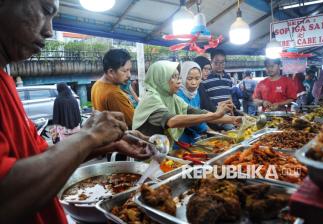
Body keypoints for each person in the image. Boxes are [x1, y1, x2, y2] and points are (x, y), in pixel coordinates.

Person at [0, 1, 151, 223]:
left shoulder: (7, 82)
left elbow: (38, 156)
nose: (49, 30)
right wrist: (89, 136)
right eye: (46, 10)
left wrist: (108, 143)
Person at [132, 60, 241, 143]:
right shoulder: (151, 98)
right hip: (146, 154)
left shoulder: (172, 98)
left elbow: (198, 112)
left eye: (178, 77)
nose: (179, 81)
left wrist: (234, 119)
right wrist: (215, 115)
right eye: (173, 77)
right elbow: (172, 121)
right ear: (160, 78)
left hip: (163, 149)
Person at [91, 49, 134, 128]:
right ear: (111, 72)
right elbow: (133, 123)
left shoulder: (96, 84)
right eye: (125, 71)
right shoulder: (114, 94)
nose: (129, 75)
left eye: (129, 70)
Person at [176, 61, 209, 145]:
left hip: (194, 139)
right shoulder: (178, 95)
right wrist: (208, 130)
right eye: (189, 79)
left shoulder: (196, 93)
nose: (194, 83)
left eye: (197, 79)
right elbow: (190, 118)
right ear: (182, 77)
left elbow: (198, 112)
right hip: (180, 140)